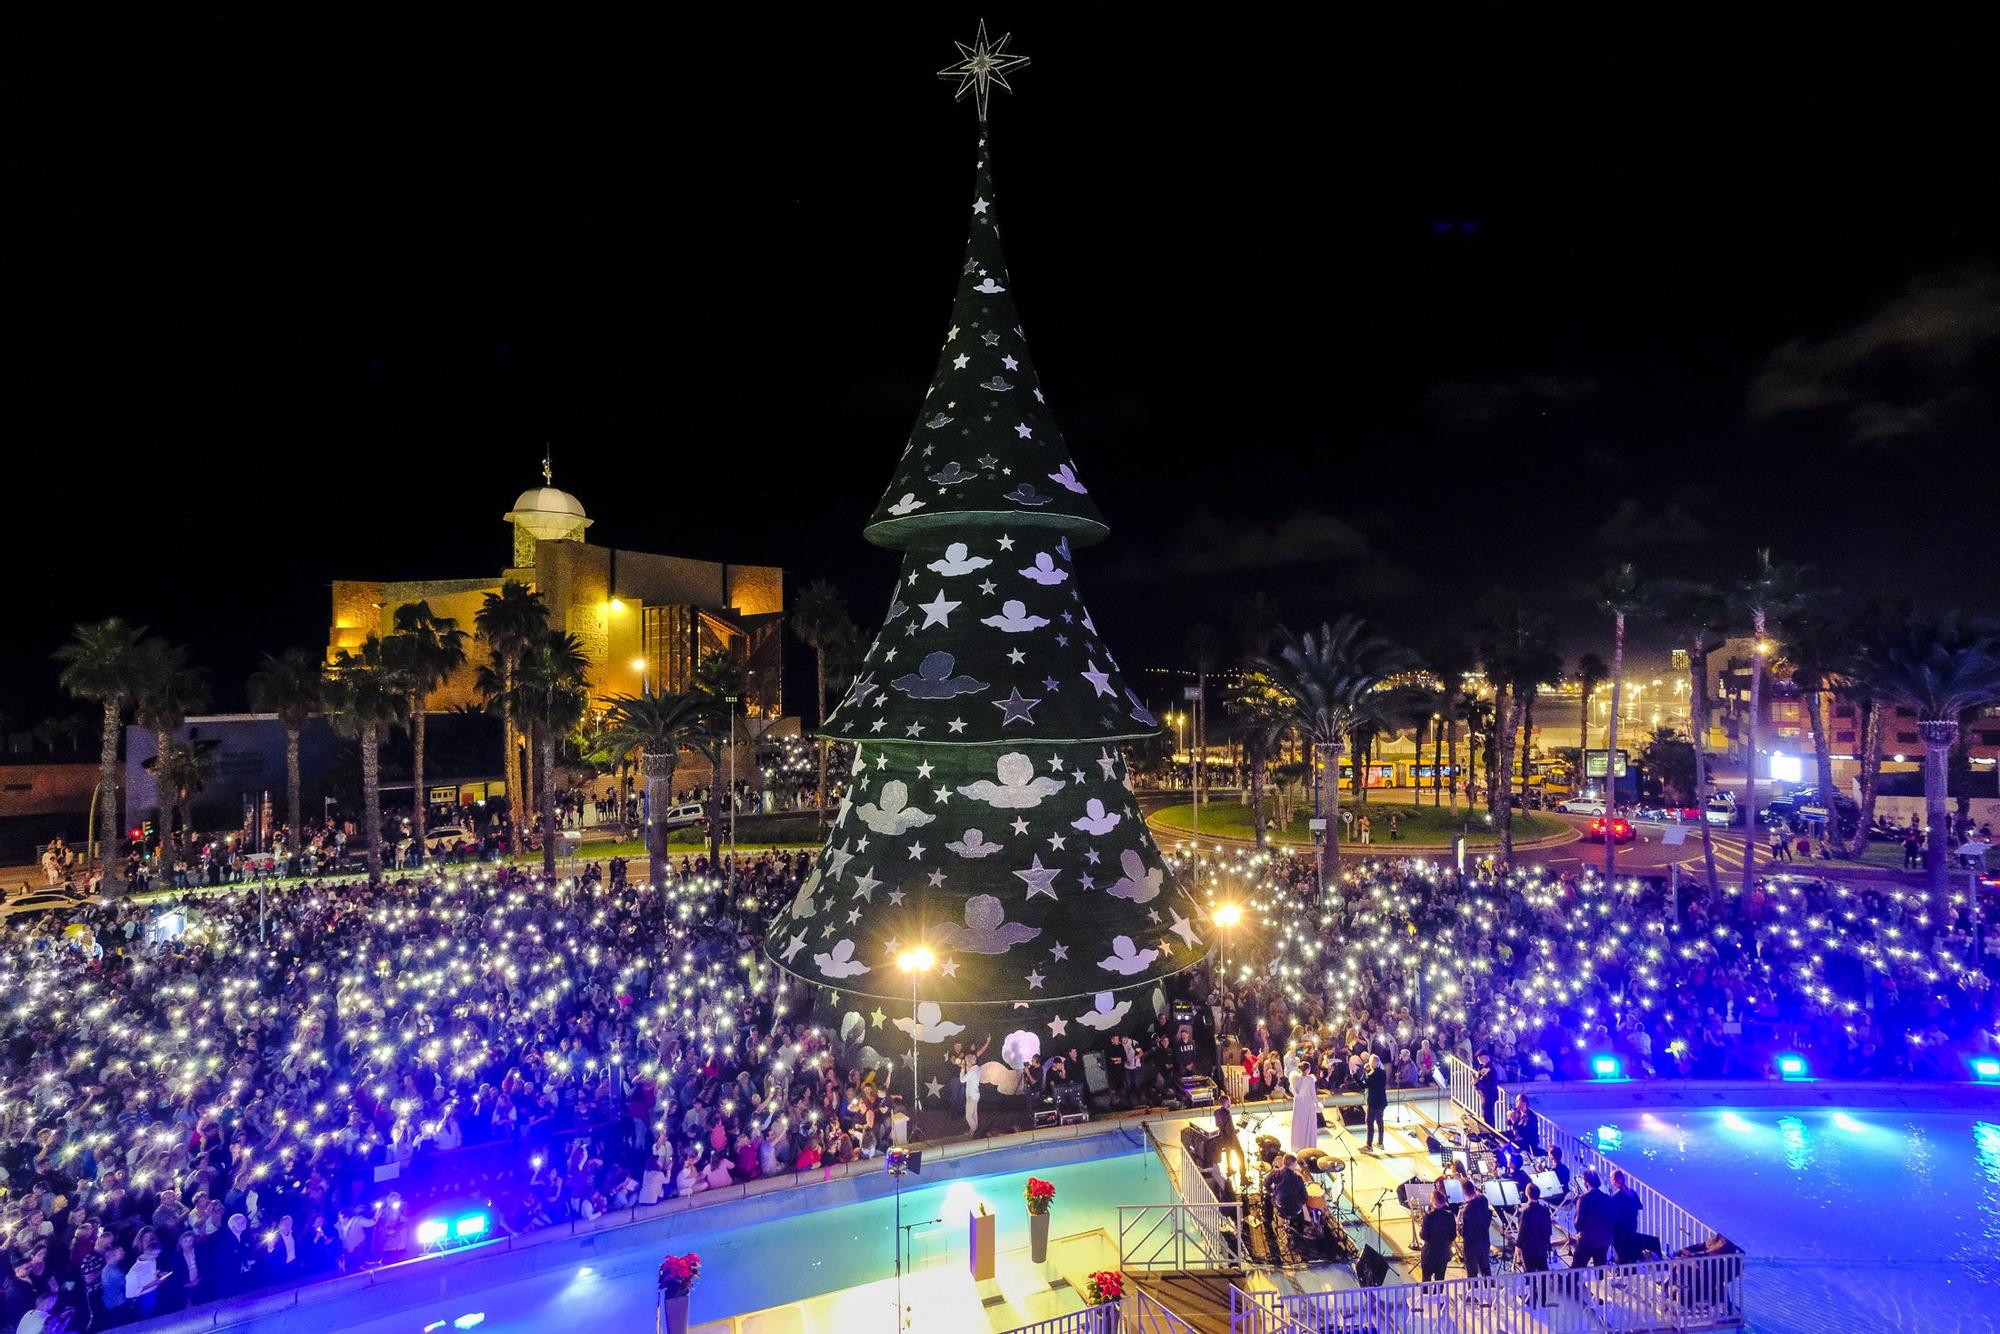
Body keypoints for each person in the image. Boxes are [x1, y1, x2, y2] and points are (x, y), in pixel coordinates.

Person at [1572, 1170, 1614, 1268]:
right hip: (1604, 1240)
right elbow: (1612, 1218)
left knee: (1576, 1269)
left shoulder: (1583, 1199)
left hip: (1587, 1240)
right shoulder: (1607, 1198)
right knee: (1600, 1269)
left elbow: (1578, 1223)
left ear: (1586, 1182)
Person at [1418, 1181, 1456, 1282]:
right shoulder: (1450, 1216)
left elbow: (1423, 1235)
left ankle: (1426, 1297)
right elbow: (1453, 1235)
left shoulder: (1429, 1216)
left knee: (1426, 1279)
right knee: (1440, 1279)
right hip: (1443, 1253)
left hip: (1429, 1253)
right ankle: (1438, 1297)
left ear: (1433, 1202)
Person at [1608, 1168, 1644, 1262]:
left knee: (1621, 1254)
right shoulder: (1632, 1192)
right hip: (1632, 1226)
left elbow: (1610, 1211)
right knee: (1630, 1250)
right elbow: (1640, 1206)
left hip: (1620, 1229)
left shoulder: (1616, 1197)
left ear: (1614, 1181)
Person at [1459, 1180, 1493, 1278]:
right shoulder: (1483, 1200)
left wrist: (1459, 1230)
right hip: (1484, 1240)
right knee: (1485, 1268)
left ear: (1464, 1193)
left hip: (1471, 1245)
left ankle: (1473, 1292)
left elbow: (1463, 1231)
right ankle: (1490, 1290)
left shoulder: (1466, 1210)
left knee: (1472, 1273)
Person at [1289, 1060, 1319, 1151]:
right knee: (1308, 1124)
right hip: (1307, 1103)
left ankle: (1297, 1145)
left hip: (1298, 1104)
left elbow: (1294, 1092)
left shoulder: (1295, 1078)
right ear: (1308, 1069)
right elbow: (1313, 1094)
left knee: (1299, 1123)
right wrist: (1317, 1103)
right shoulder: (1310, 1079)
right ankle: (1309, 1144)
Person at [1360, 1052, 1388, 1150]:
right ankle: (1380, 1143)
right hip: (1382, 1101)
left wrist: (1355, 1075)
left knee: (1369, 1122)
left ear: (1371, 1064)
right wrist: (1369, 1071)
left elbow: (1364, 1085)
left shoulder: (1372, 1075)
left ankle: (1369, 1145)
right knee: (1380, 1122)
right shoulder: (1383, 1073)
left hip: (1373, 1102)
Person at [1473, 1051, 1499, 1129]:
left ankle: (1490, 1131)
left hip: (1489, 1095)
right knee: (1487, 1114)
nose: (1479, 1060)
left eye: (1480, 1058)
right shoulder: (1481, 1067)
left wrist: (1479, 1082)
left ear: (1485, 1057)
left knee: (1488, 1115)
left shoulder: (1491, 1068)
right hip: (1484, 1095)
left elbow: (1491, 1083)